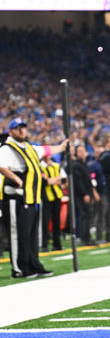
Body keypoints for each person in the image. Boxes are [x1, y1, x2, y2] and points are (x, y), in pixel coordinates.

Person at [0, 118, 67, 278]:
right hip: (15, 197)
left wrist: (63, 145)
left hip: (32, 198)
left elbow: (48, 150)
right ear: (11, 131)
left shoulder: (29, 148)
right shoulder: (7, 149)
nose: (22, 130)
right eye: (18, 128)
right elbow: (1, 165)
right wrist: (16, 179)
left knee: (30, 234)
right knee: (18, 234)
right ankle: (19, 268)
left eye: (23, 127)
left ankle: (33, 263)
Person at [72, 145, 98, 246]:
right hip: (83, 194)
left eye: (83, 151)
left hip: (88, 193)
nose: (82, 153)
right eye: (80, 151)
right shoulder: (76, 165)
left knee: (88, 215)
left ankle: (87, 237)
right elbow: (78, 182)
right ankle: (85, 238)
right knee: (85, 215)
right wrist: (84, 194)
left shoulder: (84, 164)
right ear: (76, 153)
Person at [40, 154, 65, 251]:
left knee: (57, 221)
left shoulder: (56, 165)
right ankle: (44, 245)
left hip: (57, 196)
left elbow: (63, 179)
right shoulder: (40, 167)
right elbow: (44, 182)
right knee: (45, 222)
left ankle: (57, 244)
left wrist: (51, 180)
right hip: (46, 197)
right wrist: (56, 180)